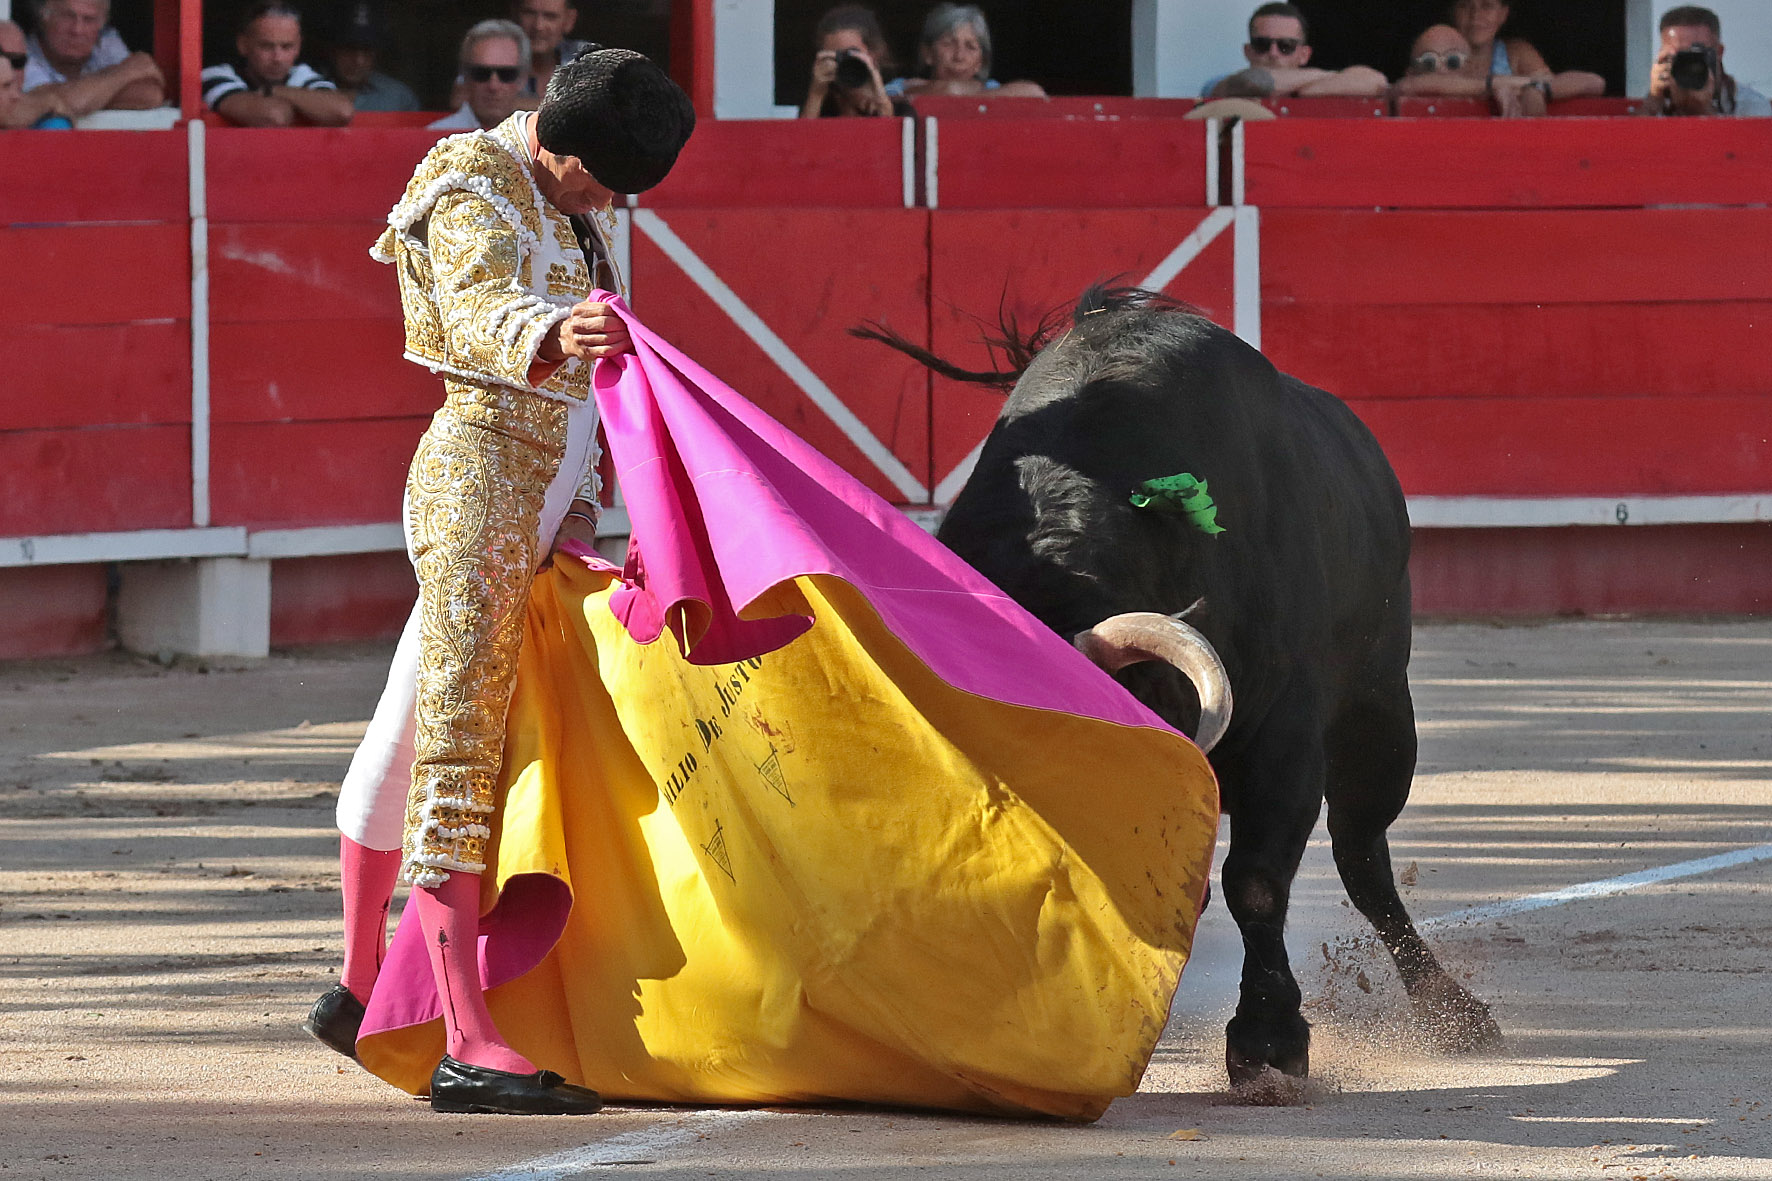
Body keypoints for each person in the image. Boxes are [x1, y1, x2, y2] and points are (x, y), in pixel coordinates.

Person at [304, 46, 694, 1116]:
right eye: (602, 180)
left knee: (406, 722)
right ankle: (468, 1037)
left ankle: (350, 986)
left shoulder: (575, 200)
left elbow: (595, 387)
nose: (610, 201)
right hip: (475, 481)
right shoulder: (465, 177)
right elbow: (471, 307)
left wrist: (591, 514)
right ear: (556, 142)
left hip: (538, 494)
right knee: (463, 743)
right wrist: (545, 327)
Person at [202, 1, 353, 126]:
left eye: (287, 47)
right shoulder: (215, 75)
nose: (278, 58)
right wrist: (303, 102)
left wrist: (272, 91)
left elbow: (342, 110)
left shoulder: (300, 74)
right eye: (266, 46)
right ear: (243, 45)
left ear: (298, 46)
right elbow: (274, 116)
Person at [1203, 3, 1386, 100]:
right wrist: (1330, 79)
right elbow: (1254, 82)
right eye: (1262, 44)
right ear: (1248, 51)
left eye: (1286, 46)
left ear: (1304, 55)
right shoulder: (1218, 83)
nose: (1273, 53)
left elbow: (1377, 81)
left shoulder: (1312, 83)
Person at [19, 0, 163, 117]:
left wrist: (82, 97)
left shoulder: (106, 42)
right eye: (67, 16)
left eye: (89, 19)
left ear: (102, 24)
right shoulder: (20, 53)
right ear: (44, 17)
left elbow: (150, 94)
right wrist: (126, 72)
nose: (77, 29)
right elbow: (48, 101)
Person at [1450, 0, 1604, 103]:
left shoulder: (1516, 53)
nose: (1475, 15)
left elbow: (1594, 83)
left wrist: (1534, 90)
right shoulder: (1438, 52)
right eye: (1464, 5)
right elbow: (1426, 84)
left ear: (1503, 14)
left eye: (1487, 6)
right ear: (1453, 12)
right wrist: (1497, 87)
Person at [887, 4, 1044, 100]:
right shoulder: (899, 88)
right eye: (948, 44)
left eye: (970, 47)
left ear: (980, 63)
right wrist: (951, 91)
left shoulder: (991, 88)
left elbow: (1034, 93)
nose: (959, 56)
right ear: (927, 54)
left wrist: (956, 94)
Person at [1393, 23, 1547, 116]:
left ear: (1470, 69)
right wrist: (1492, 85)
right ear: (1410, 73)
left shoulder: (1498, 97)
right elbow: (1406, 86)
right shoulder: (1492, 87)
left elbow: (1564, 81)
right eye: (1429, 62)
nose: (1442, 71)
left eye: (1453, 61)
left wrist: (1536, 88)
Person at [1647, 5, 1771, 117]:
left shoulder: (1750, 105)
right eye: (1680, 55)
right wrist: (1652, 103)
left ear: (1719, 52)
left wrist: (1704, 111)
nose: (1689, 63)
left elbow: (1745, 142)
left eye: (1696, 54)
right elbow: (1631, 140)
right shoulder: (1658, 101)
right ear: (1661, 56)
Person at [799, 4, 912, 118]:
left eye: (851, 53)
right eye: (836, 56)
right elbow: (802, 135)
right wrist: (816, 94)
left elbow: (890, 134)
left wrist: (880, 98)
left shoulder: (900, 108)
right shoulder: (820, 107)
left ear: (874, 53)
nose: (844, 62)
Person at [430, 20, 529, 130]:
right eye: (481, 73)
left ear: (522, 79)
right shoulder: (437, 137)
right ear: (465, 76)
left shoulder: (538, 140)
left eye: (506, 74)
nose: (493, 86)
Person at [326, 2, 416, 112]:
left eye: (367, 51)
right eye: (350, 49)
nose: (359, 61)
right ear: (333, 50)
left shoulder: (399, 98)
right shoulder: (309, 89)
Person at [1, 19, 72, 126]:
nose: (16, 96)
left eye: (18, 62)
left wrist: (50, 103)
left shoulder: (48, 122)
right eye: (5, 86)